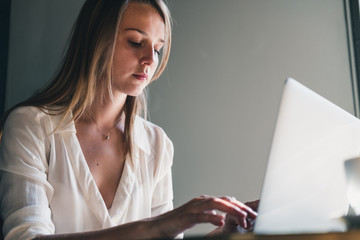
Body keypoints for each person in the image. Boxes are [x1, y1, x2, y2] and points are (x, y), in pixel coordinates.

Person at [0, 0, 258, 239]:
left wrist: (227, 233)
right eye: (136, 42)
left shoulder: (157, 144)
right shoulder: (31, 126)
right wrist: (153, 227)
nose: (150, 59)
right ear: (96, 39)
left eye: (158, 48)